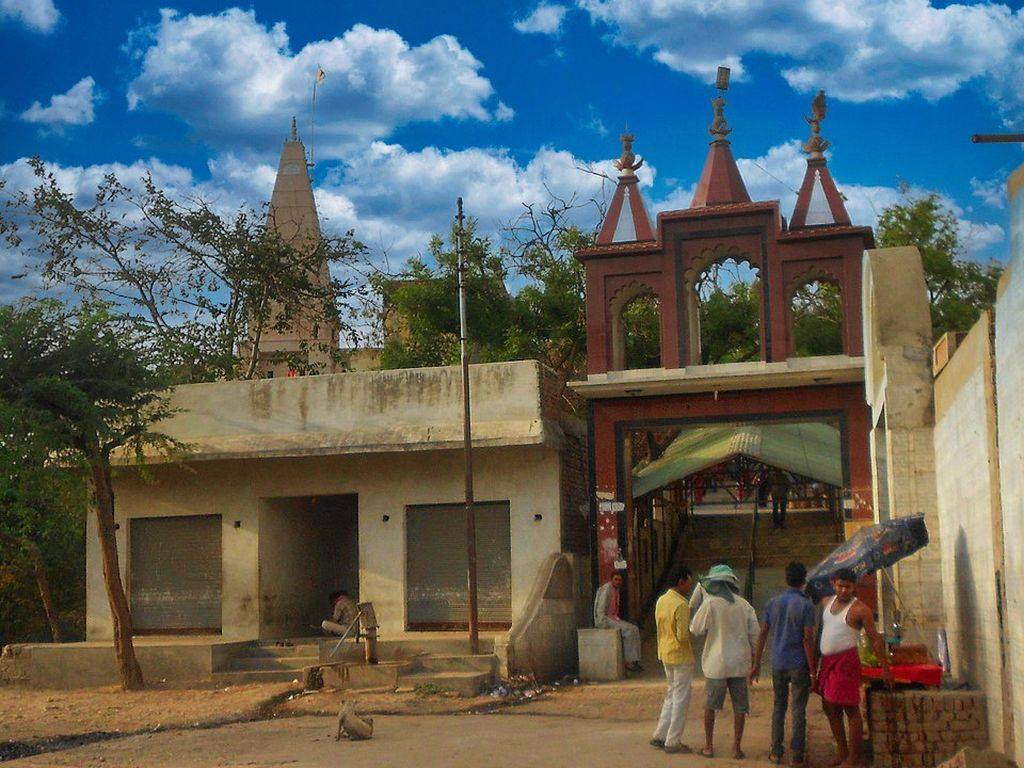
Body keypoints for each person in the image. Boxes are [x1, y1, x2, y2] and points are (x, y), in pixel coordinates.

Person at [815, 568, 892, 768]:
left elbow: (875, 639)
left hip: (846, 662)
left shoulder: (860, 609)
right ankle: (842, 751)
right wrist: (814, 665)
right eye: (840, 586)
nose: (843, 590)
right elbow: (820, 634)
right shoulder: (826, 602)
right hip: (827, 662)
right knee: (828, 706)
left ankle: (853, 758)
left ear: (854, 587)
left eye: (848, 587)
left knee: (850, 708)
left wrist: (885, 669)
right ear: (833, 583)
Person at [689, 564, 760, 759]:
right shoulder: (744, 605)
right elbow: (755, 636)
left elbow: (695, 629)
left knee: (710, 706)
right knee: (740, 707)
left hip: (716, 664)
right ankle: (736, 748)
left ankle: (709, 746)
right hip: (739, 664)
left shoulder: (711, 604)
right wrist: (756, 662)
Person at [750, 562, 817, 766]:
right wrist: (813, 670)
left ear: (786, 579)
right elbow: (807, 640)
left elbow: (763, 633)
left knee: (779, 706)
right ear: (804, 580)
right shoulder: (806, 605)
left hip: (778, 663)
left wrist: (756, 663)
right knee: (798, 709)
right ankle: (797, 754)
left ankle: (776, 751)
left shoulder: (772, 603)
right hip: (798, 663)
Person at [651, 565, 696, 754]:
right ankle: (673, 740)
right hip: (681, 655)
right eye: (688, 583)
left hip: (665, 652)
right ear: (681, 581)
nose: (689, 587)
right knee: (680, 698)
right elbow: (683, 637)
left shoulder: (662, 600)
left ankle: (660, 734)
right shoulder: (681, 604)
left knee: (671, 695)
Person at [594, 571, 642, 671]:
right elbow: (600, 610)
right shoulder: (607, 589)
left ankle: (635, 660)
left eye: (619, 580)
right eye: (616, 579)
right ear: (611, 579)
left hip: (613, 618)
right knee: (629, 630)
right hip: (605, 620)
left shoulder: (615, 590)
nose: (618, 582)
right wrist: (603, 623)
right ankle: (629, 662)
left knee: (635, 629)